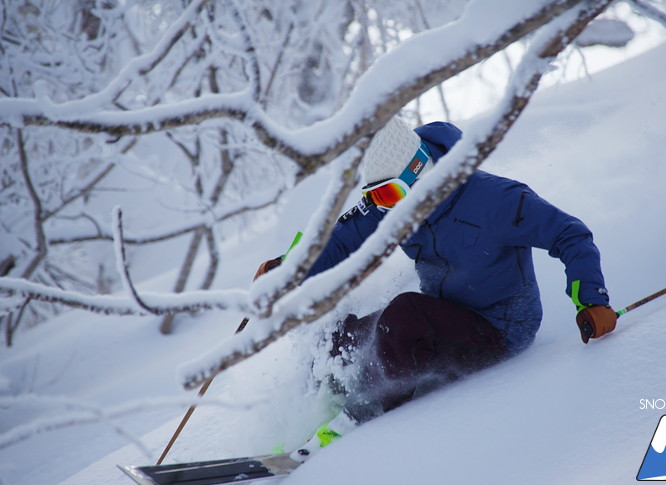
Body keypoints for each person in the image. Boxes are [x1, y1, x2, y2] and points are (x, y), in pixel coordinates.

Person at [255, 116, 617, 460]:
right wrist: (291, 271)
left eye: (391, 194)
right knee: (342, 336)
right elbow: (341, 239)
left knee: (402, 317)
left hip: (500, 329)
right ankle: (318, 409)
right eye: (378, 198)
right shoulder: (399, 203)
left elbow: (570, 234)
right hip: (440, 315)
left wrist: (591, 299)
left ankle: (359, 416)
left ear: (420, 171)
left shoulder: (496, 200)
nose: (388, 207)